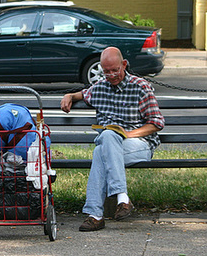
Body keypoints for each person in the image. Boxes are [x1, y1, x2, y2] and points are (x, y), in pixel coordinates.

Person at [60, 47, 165, 231]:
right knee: (104, 145)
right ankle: (120, 200)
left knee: (104, 143)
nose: (111, 75)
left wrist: (128, 134)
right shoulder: (99, 88)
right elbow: (83, 94)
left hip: (138, 145)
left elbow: (156, 123)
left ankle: (96, 214)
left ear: (124, 65)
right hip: (111, 148)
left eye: (115, 70)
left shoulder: (140, 87)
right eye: (106, 71)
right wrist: (69, 96)